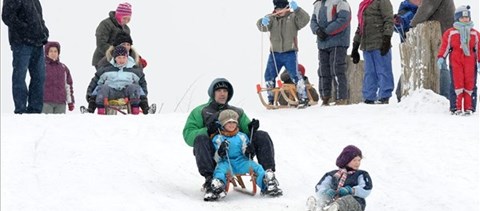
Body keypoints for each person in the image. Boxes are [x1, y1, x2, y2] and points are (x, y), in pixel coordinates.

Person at [182, 78, 280, 200]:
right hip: (216, 153)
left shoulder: (236, 112)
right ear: (212, 93)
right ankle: (210, 180)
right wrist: (207, 130)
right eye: (219, 91)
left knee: (261, 135)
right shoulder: (200, 111)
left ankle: (268, 177)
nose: (222, 93)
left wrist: (252, 128)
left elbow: (246, 134)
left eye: (225, 91)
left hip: (238, 154)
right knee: (200, 139)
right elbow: (188, 135)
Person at [206, 109, 282, 201]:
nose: (231, 125)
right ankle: (218, 185)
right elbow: (216, 157)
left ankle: (266, 183)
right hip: (226, 162)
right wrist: (220, 152)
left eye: (234, 122)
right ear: (222, 124)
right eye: (228, 122)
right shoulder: (218, 138)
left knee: (256, 167)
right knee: (219, 170)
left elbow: (245, 152)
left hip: (241, 161)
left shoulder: (241, 136)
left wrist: (249, 151)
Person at [256, 0, 311, 108]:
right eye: (277, 9)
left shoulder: (294, 17)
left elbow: (305, 19)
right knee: (268, 75)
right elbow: (261, 27)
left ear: (286, 7)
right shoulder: (271, 18)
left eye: (281, 8)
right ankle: (271, 99)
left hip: (290, 53)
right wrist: (262, 22)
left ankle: (303, 97)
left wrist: (297, 9)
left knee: (294, 75)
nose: (279, 11)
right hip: (274, 53)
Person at [2, 0, 49, 114]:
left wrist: (44, 31)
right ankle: (21, 109)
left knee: (39, 77)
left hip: (37, 43)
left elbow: (39, 18)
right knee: (20, 76)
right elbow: (7, 16)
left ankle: (35, 109)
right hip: (21, 43)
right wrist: (25, 29)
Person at [437, 5, 479, 115]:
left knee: (470, 84)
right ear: (457, 18)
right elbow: (445, 46)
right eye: (462, 18)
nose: (465, 20)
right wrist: (441, 57)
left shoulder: (474, 33)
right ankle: (456, 107)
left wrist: (479, 61)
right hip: (456, 61)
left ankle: (470, 107)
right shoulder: (451, 33)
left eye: (467, 17)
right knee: (457, 83)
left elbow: (478, 48)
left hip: (470, 61)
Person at [410, 0, 455, 101]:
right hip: (441, 30)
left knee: (440, 64)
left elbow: (426, 9)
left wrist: (413, 24)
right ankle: (444, 93)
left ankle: (445, 94)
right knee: (440, 63)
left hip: (440, 31)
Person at [351, 0, 394, 104]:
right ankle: (369, 96)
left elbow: (388, 19)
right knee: (369, 72)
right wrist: (355, 45)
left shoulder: (382, 1)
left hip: (380, 43)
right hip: (366, 44)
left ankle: (384, 95)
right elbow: (360, 27)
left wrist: (387, 38)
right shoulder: (364, 5)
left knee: (383, 70)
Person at [306, 145, 372, 211]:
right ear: (346, 160)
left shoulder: (361, 174)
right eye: (354, 160)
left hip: (355, 204)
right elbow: (320, 186)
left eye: (359, 160)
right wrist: (325, 191)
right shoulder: (332, 174)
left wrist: (352, 190)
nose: (357, 163)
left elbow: (366, 188)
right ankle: (316, 207)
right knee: (325, 198)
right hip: (333, 201)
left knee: (347, 199)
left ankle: (335, 208)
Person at [310, 0, 351, 106]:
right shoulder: (317, 4)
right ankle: (325, 97)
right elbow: (313, 21)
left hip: (338, 41)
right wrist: (317, 30)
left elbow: (344, 19)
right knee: (323, 71)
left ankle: (341, 97)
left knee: (337, 69)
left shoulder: (341, 2)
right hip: (322, 43)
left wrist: (326, 31)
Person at [86, 45, 146, 115]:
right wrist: (90, 95)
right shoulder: (106, 70)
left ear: (127, 57)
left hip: (126, 93)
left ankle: (138, 109)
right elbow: (96, 81)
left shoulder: (133, 70)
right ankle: (95, 110)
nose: (121, 60)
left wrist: (144, 96)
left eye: (124, 57)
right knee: (102, 87)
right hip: (111, 93)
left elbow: (142, 82)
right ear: (115, 58)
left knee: (134, 87)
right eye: (119, 58)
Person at [393, 0, 419, 102]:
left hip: (419, 44)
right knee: (409, 68)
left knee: (410, 69)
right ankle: (401, 94)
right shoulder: (407, 8)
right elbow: (400, 23)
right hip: (410, 45)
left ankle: (401, 94)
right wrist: (399, 21)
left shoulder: (422, 8)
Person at [91, 2, 132, 67]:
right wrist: (116, 53)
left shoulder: (126, 29)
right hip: (103, 59)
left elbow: (128, 46)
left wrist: (136, 57)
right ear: (118, 15)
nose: (126, 21)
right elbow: (101, 43)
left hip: (120, 61)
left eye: (128, 19)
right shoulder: (106, 24)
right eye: (124, 18)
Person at [42, 41, 75, 114]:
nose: (53, 53)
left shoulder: (63, 68)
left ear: (58, 53)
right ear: (46, 52)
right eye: (51, 51)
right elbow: (37, 84)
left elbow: (68, 86)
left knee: (59, 125)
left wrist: (70, 101)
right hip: (46, 102)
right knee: (46, 124)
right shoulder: (42, 67)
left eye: (55, 51)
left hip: (60, 103)